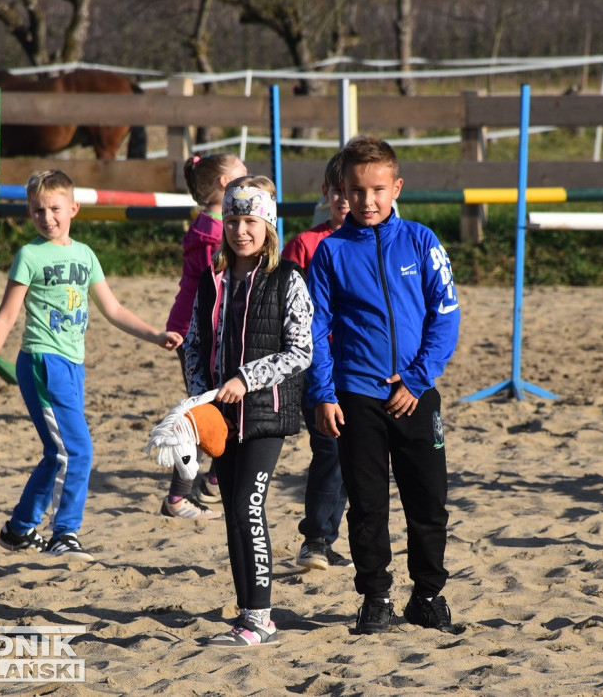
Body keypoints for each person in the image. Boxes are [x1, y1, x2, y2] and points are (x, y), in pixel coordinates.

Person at [0, 169, 182, 561]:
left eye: (54, 209)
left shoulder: (84, 255)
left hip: (73, 366)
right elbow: (6, 318)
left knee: (58, 451)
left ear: (73, 209)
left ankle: (18, 529)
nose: (46, 218)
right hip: (42, 364)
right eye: (36, 211)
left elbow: (112, 309)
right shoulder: (30, 255)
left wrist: (155, 335)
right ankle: (64, 533)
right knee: (77, 450)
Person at [306, 135, 461, 635]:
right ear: (341, 192)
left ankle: (428, 596)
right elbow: (315, 329)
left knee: (428, 500)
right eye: (356, 190)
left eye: (377, 189)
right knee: (367, 504)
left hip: (415, 395)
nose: (367, 201)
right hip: (356, 398)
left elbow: (446, 315)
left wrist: (416, 378)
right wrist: (324, 393)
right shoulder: (329, 253)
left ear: (396, 187)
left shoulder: (422, 241)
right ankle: (376, 597)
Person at [183, 174, 313, 647]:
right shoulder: (210, 279)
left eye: (251, 221)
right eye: (233, 220)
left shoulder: (287, 279)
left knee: (247, 508)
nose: (241, 230)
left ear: (268, 226)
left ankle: (260, 619)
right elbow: (195, 346)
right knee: (234, 516)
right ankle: (246, 613)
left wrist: (246, 379)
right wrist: (202, 401)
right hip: (222, 416)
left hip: (264, 414)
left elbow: (301, 351)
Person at [161, 152, 247, 520]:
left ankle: (212, 481)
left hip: (200, 329)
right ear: (226, 185)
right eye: (244, 175)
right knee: (204, 411)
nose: (251, 178)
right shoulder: (216, 235)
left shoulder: (214, 227)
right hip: (196, 333)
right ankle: (179, 497)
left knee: (221, 404)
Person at [282, 151, 353, 571]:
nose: (345, 199)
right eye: (337, 191)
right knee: (329, 448)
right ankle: (313, 538)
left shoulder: (377, 242)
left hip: (361, 365)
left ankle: (327, 538)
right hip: (316, 363)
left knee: (348, 454)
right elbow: (284, 306)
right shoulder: (307, 244)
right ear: (325, 194)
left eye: (352, 191)